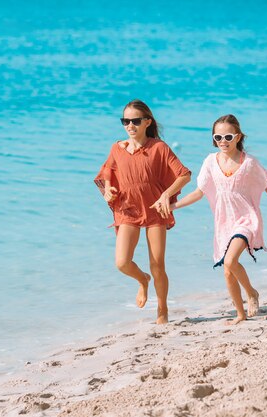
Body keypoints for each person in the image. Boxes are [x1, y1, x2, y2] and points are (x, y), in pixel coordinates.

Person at [157, 114, 267, 325]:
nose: (223, 141)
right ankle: (240, 315)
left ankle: (251, 293)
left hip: (247, 219)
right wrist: (172, 207)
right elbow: (199, 192)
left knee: (231, 260)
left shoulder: (249, 163)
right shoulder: (210, 162)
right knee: (227, 271)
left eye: (228, 136)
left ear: (238, 136)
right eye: (218, 137)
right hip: (224, 223)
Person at [94, 99, 191, 324]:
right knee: (122, 262)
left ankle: (162, 310)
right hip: (127, 209)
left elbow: (184, 175)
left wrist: (166, 195)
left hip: (155, 210)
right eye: (125, 121)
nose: (130, 125)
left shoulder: (159, 147)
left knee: (158, 264)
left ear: (147, 122)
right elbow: (106, 174)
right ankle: (142, 280)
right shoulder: (116, 148)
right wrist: (108, 191)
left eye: (135, 121)